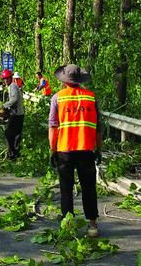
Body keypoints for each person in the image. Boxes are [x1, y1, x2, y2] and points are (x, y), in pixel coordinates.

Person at [48, 64, 101, 238]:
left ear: (64, 81)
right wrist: (99, 149)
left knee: (66, 188)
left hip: (65, 149)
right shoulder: (91, 98)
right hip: (86, 149)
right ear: (80, 81)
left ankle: (68, 223)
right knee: (89, 188)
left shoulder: (58, 98)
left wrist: (52, 150)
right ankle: (92, 225)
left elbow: (53, 126)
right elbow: (98, 127)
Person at [1, 68, 24, 160]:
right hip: (17, 113)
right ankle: (15, 153)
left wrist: (4, 106)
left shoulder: (13, 86)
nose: (6, 80)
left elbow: (14, 99)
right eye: (4, 79)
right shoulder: (11, 86)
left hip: (17, 114)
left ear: (11, 78)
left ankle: (12, 153)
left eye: (7, 78)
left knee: (8, 133)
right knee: (16, 135)